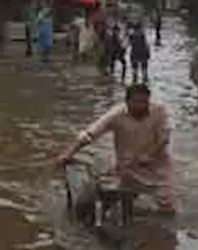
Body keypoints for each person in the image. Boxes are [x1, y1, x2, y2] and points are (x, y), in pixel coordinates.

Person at [55, 83, 175, 215]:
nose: (141, 106)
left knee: (166, 207)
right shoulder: (116, 115)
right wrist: (68, 153)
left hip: (158, 165)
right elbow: (90, 134)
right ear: (127, 102)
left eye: (144, 102)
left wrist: (149, 154)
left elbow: (164, 137)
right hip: (128, 166)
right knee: (125, 202)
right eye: (136, 102)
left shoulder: (159, 112)